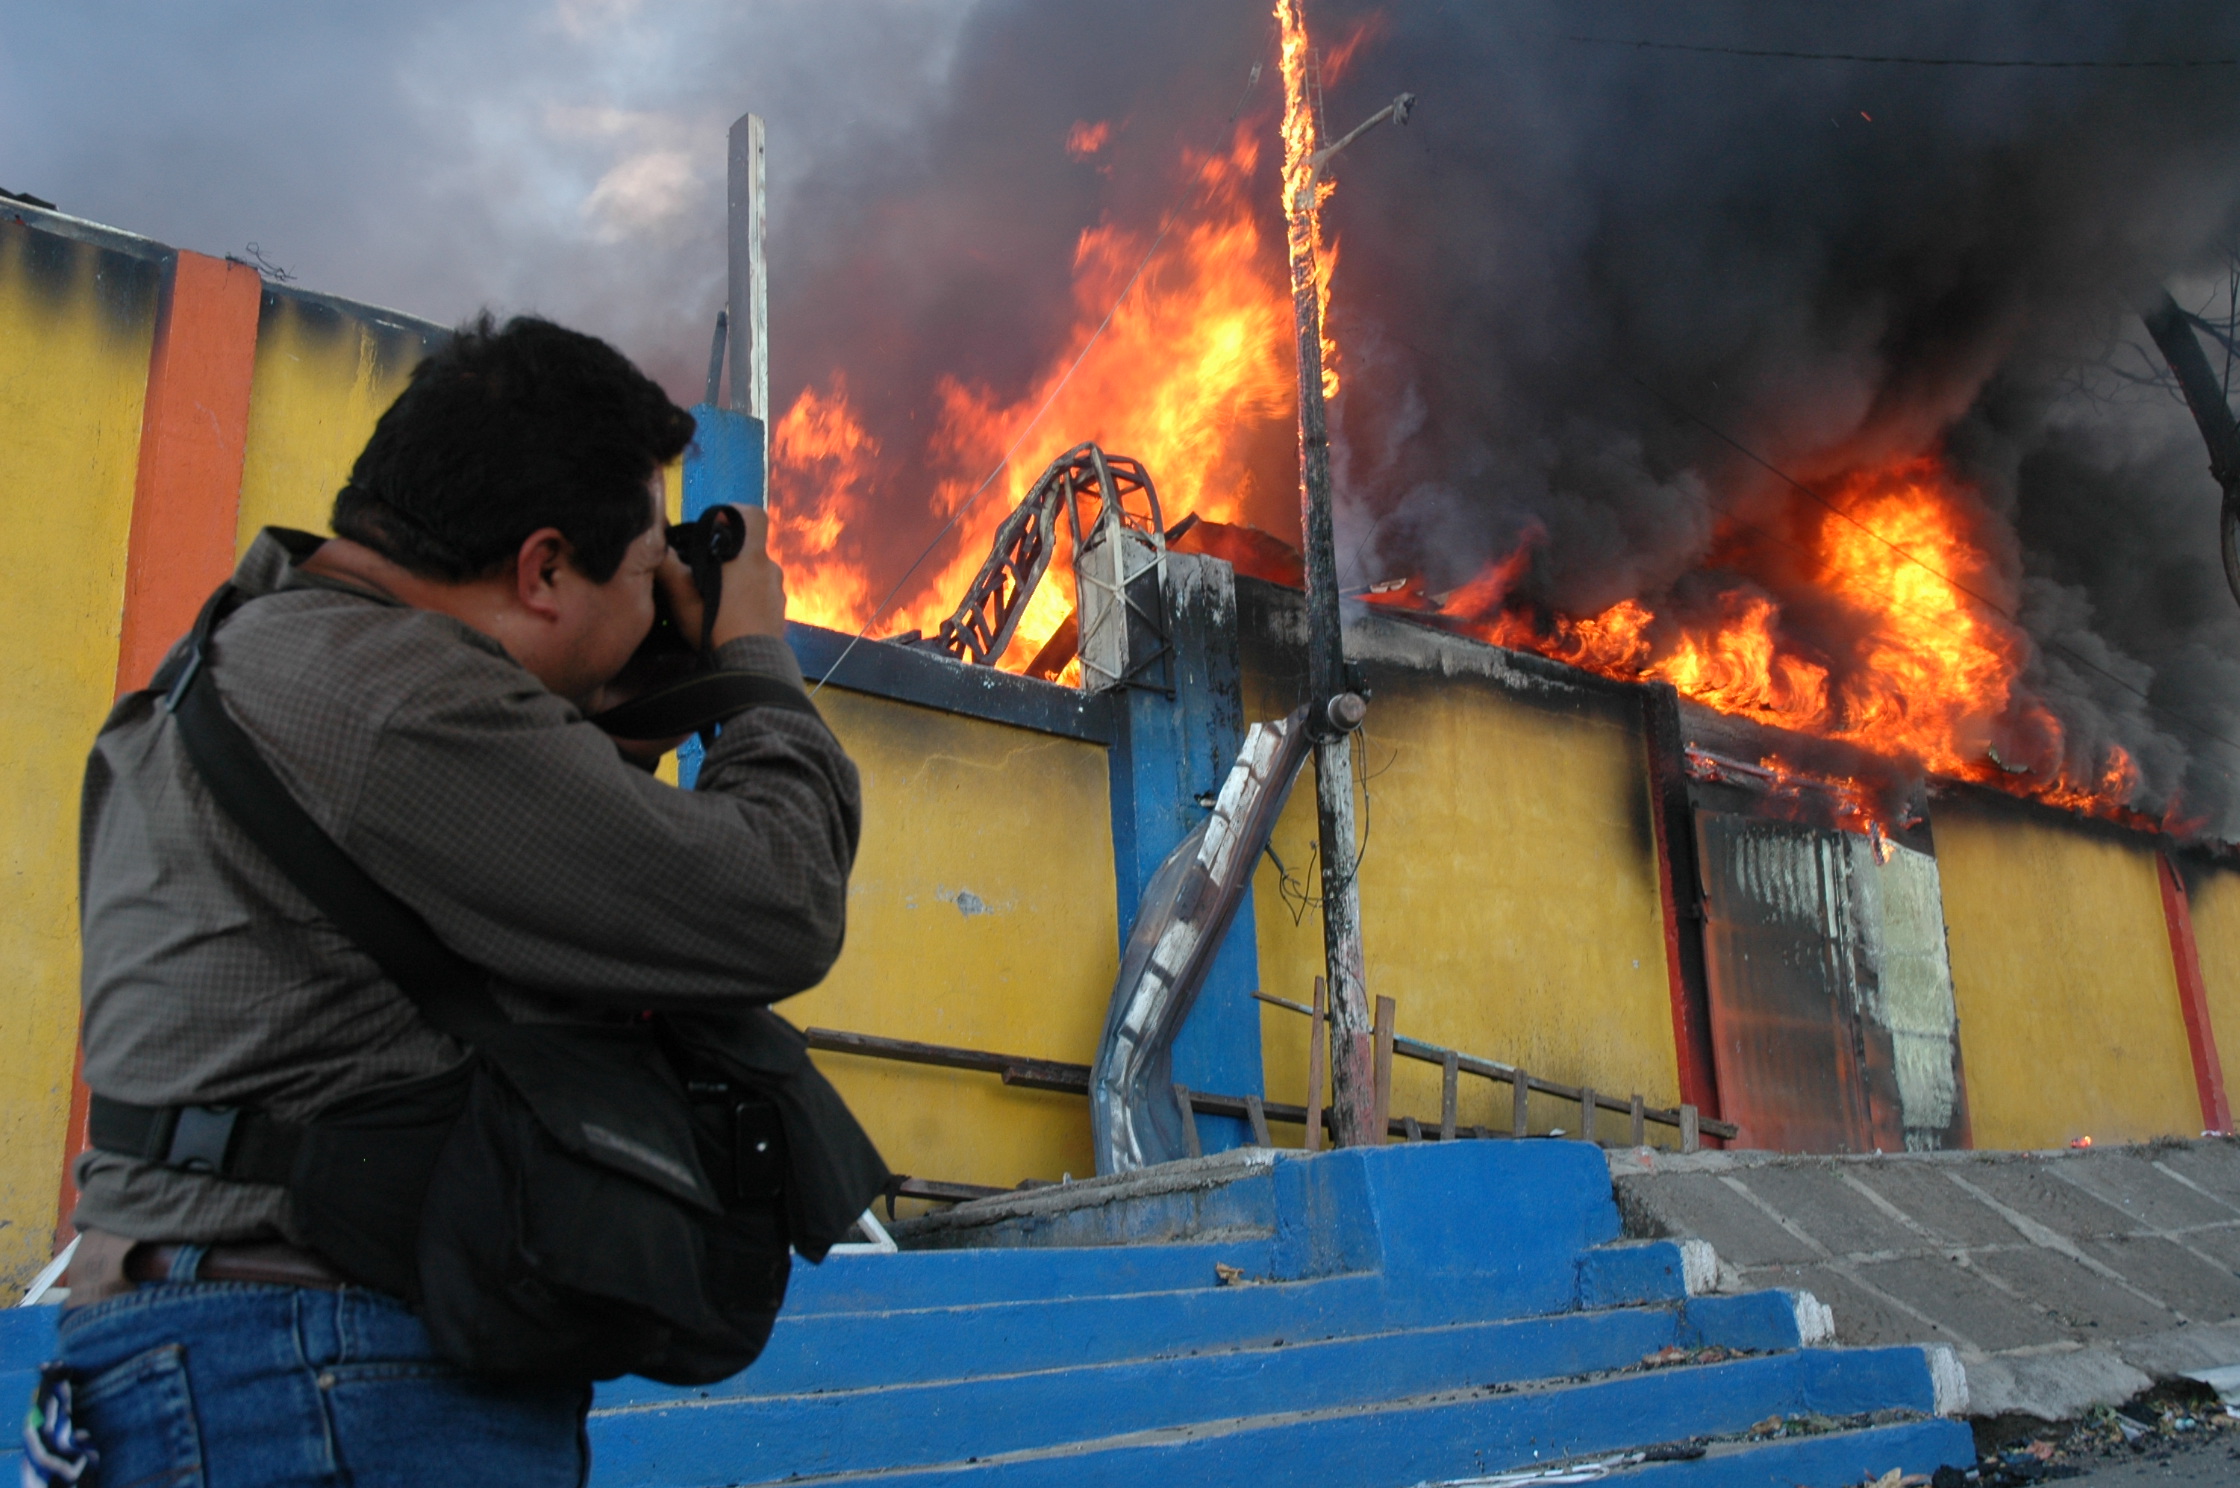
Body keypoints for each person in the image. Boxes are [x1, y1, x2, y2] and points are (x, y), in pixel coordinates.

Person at [57, 314, 861, 1486]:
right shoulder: (398, 701)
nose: (656, 605)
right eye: (643, 576)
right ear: (541, 569)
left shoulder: (255, 663)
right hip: (319, 1372)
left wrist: (621, 686)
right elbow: (774, 899)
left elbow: (533, 905)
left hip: (201, 1351)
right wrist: (753, 660)